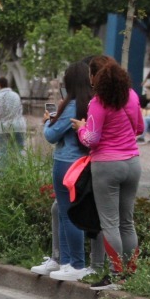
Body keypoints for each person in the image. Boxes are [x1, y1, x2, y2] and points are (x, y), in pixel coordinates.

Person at [72, 55, 144, 288]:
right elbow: (140, 128)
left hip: (107, 166)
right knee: (127, 222)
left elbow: (92, 140)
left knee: (110, 224)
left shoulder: (98, 103)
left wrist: (81, 129)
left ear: (96, 78)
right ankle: (131, 274)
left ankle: (114, 274)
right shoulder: (132, 97)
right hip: (132, 163)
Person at [34, 59, 90, 282]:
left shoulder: (73, 106)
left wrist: (48, 122)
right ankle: (66, 262)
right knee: (67, 213)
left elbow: (51, 135)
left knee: (68, 214)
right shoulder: (90, 103)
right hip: (81, 162)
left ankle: (75, 263)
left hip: (67, 163)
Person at [0, 76, 25, 167]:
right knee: (19, 151)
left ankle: (3, 175)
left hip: (3, 128)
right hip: (19, 126)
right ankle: (20, 172)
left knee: (3, 152)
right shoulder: (16, 95)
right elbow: (20, 110)